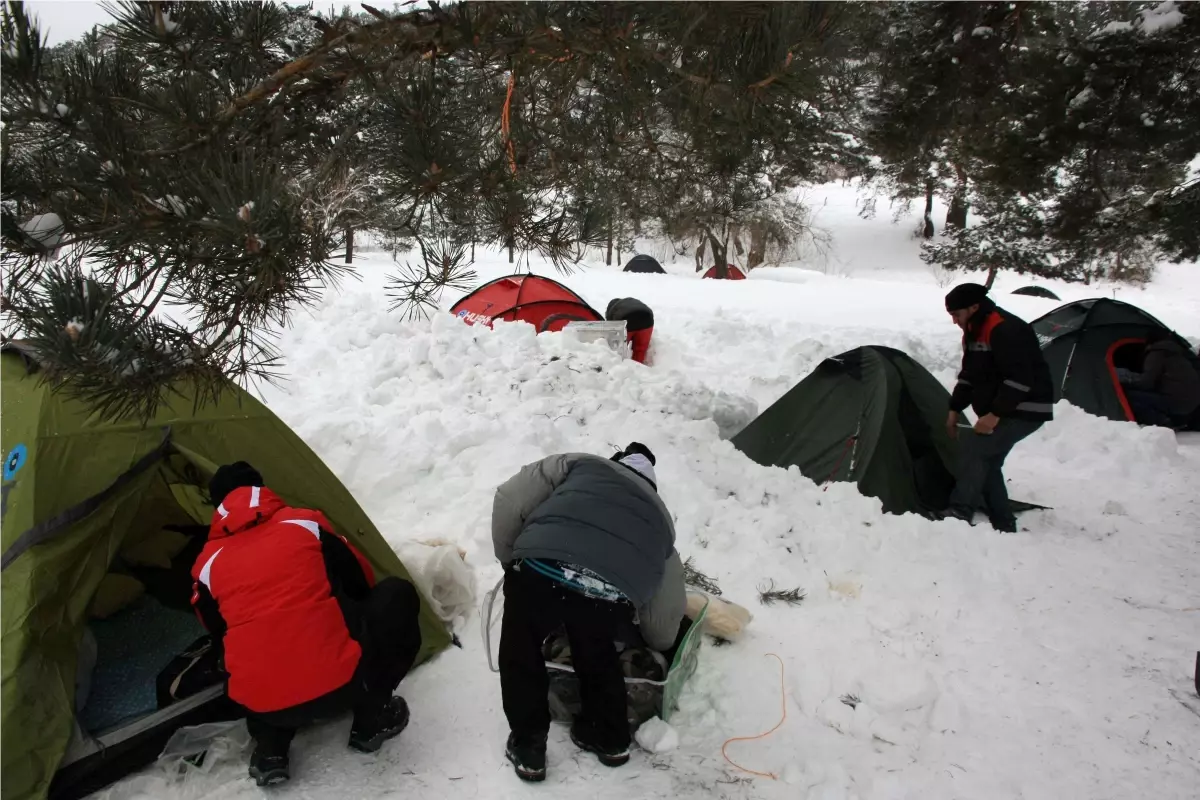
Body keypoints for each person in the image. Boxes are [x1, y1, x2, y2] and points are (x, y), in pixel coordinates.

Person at [191, 462, 422, 786]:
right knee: (396, 595)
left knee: (243, 646)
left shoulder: (206, 563)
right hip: (343, 685)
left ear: (218, 507)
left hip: (265, 705)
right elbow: (361, 579)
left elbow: (214, 629)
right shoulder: (304, 522)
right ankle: (373, 718)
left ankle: (270, 747)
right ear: (262, 490)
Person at [491, 443, 685, 782]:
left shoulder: (580, 465)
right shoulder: (661, 519)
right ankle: (609, 737)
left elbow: (510, 497)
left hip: (544, 563)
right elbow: (666, 609)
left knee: (521, 649)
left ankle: (529, 746)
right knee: (597, 649)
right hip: (606, 590)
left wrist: (511, 560)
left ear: (616, 462)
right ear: (651, 485)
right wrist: (659, 641)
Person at [943, 284, 1054, 532]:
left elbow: (1020, 379)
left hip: (1026, 408)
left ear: (974, 307)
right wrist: (955, 408)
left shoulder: (1006, 329)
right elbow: (970, 374)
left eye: (957, 315)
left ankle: (959, 511)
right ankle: (1003, 522)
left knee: (976, 450)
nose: (954, 321)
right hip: (1005, 408)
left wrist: (995, 414)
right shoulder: (974, 330)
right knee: (988, 462)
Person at [1122, 328, 1200, 431]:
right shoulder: (1179, 353)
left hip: (1175, 402)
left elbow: (1146, 383)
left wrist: (1125, 383)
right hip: (1193, 404)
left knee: (1128, 396)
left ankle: (1161, 422)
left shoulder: (1157, 354)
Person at [606, 297, 654, 364]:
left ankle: (618, 369)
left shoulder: (613, 311)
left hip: (626, 321)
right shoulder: (629, 302)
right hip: (647, 319)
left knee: (618, 351)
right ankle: (638, 369)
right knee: (640, 350)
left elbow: (611, 328)